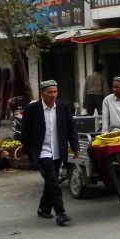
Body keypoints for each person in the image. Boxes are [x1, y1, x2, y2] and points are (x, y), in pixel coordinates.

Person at [22, 80, 80, 226]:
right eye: (50, 92)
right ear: (42, 93)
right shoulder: (32, 109)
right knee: (53, 181)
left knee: (51, 181)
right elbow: (25, 133)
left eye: (55, 92)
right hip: (42, 151)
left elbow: (71, 128)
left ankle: (43, 208)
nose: (53, 95)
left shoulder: (63, 107)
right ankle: (61, 213)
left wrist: (75, 147)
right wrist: (29, 152)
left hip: (58, 150)